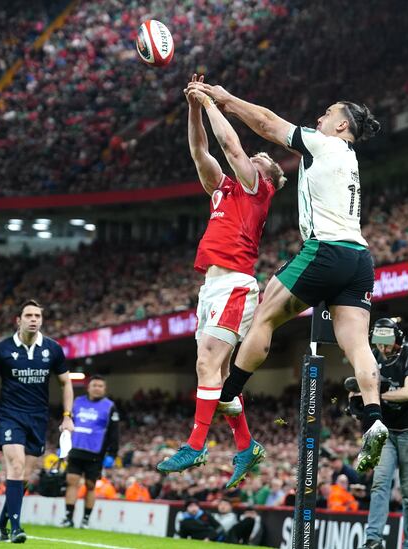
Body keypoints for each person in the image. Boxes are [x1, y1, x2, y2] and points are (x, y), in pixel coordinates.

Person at [188, 79, 387, 473]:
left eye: (328, 113)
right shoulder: (350, 159)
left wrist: (225, 100)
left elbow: (265, 122)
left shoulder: (322, 142)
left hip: (325, 249)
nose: (320, 117)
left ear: (342, 126)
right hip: (360, 258)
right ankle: (374, 417)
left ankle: (230, 392)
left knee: (265, 316)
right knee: (357, 345)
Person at [157, 75, 285, 490]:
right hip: (212, 287)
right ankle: (246, 446)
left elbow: (231, 147)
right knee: (220, 380)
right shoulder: (223, 189)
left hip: (234, 284)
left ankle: (196, 444)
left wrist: (213, 101)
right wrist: (194, 105)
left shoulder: (256, 188)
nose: (256, 156)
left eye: (261, 157)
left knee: (205, 365)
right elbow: (200, 150)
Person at [0, 299, 74, 544]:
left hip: (38, 418)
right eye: (29, 315)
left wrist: (67, 417)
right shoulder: (2, 349)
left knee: (24, 477)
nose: (34, 319)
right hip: (8, 416)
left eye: (37, 315)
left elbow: (66, 382)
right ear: (19, 320)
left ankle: (0, 524)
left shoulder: (53, 349)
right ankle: (15, 528)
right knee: (14, 467)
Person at [351, 319, 408, 549]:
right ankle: (373, 539)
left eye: (386, 343)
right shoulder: (374, 355)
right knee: (380, 483)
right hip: (386, 431)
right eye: (379, 343)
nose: (383, 348)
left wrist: (377, 395)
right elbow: (362, 386)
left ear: (397, 339)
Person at [61, 375, 119, 529]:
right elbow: (67, 423)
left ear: (104, 389)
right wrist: (62, 443)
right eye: (94, 385)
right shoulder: (77, 402)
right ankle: (68, 517)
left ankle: (85, 519)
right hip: (76, 449)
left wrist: (112, 454)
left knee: (90, 485)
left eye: (100, 386)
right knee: (72, 481)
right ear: (88, 387)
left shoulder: (109, 406)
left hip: (96, 452)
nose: (97, 388)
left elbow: (114, 432)